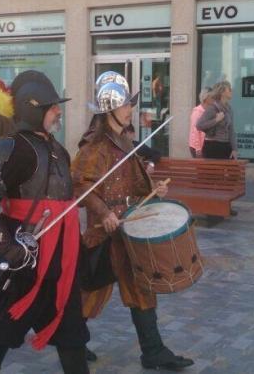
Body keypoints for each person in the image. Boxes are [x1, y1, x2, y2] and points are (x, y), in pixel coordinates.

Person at [0, 70, 90, 374]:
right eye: (51, 107)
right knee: (0, 333)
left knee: (71, 333)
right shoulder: (8, 146)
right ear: (32, 109)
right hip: (26, 258)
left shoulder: (58, 149)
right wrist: (9, 249)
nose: (58, 111)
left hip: (61, 259)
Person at [72, 73, 193, 371]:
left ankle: (153, 351)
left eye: (130, 104)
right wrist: (104, 213)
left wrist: (154, 189)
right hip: (104, 235)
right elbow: (80, 187)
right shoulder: (94, 147)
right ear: (109, 109)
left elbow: (135, 183)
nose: (130, 109)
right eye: (125, 104)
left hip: (129, 231)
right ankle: (71, 342)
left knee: (141, 288)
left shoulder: (125, 141)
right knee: (89, 293)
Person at [196, 80, 238, 160]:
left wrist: (234, 149)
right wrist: (216, 120)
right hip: (213, 146)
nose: (231, 91)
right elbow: (199, 125)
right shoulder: (212, 108)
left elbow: (231, 130)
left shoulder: (229, 108)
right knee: (213, 172)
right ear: (222, 92)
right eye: (229, 89)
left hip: (226, 145)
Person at [189, 87, 213, 158]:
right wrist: (198, 148)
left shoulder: (210, 111)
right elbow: (195, 131)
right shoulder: (197, 112)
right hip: (198, 147)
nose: (213, 99)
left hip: (207, 146)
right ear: (206, 98)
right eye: (211, 97)